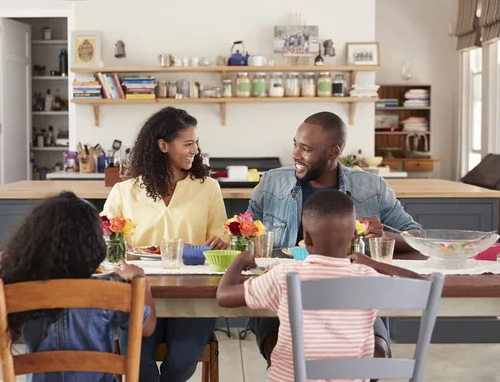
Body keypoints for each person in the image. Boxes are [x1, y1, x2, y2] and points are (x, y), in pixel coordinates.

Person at [246, 111, 424, 366]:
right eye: (295, 144)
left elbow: (417, 235)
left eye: (305, 148)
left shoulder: (371, 186)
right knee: (286, 356)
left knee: (377, 355)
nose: (295, 154)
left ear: (333, 152)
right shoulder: (271, 183)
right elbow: (244, 232)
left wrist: (384, 236)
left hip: (353, 296)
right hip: (283, 296)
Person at [217, 190, 423, 382]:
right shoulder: (367, 276)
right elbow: (422, 285)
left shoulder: (284, 276)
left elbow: (224, 297)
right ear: (354, 236)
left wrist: (239, 260)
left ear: (305, 239)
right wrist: (372, 263)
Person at [101, 106, 227, 382]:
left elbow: (222, 237)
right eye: (188, 143)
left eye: (196, 143)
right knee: (137, 363)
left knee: (181, 362)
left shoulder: (208, 188)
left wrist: (221, 242)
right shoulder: (125, 191)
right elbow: (107, 239)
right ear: (163, 145)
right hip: (139, 294)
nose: (195, 149)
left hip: (192, 294)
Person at [0, 191, 156, 382]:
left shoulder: (19, 289)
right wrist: (141, 279)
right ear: (92, 244)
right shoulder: (109, 291)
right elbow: (147, 328)